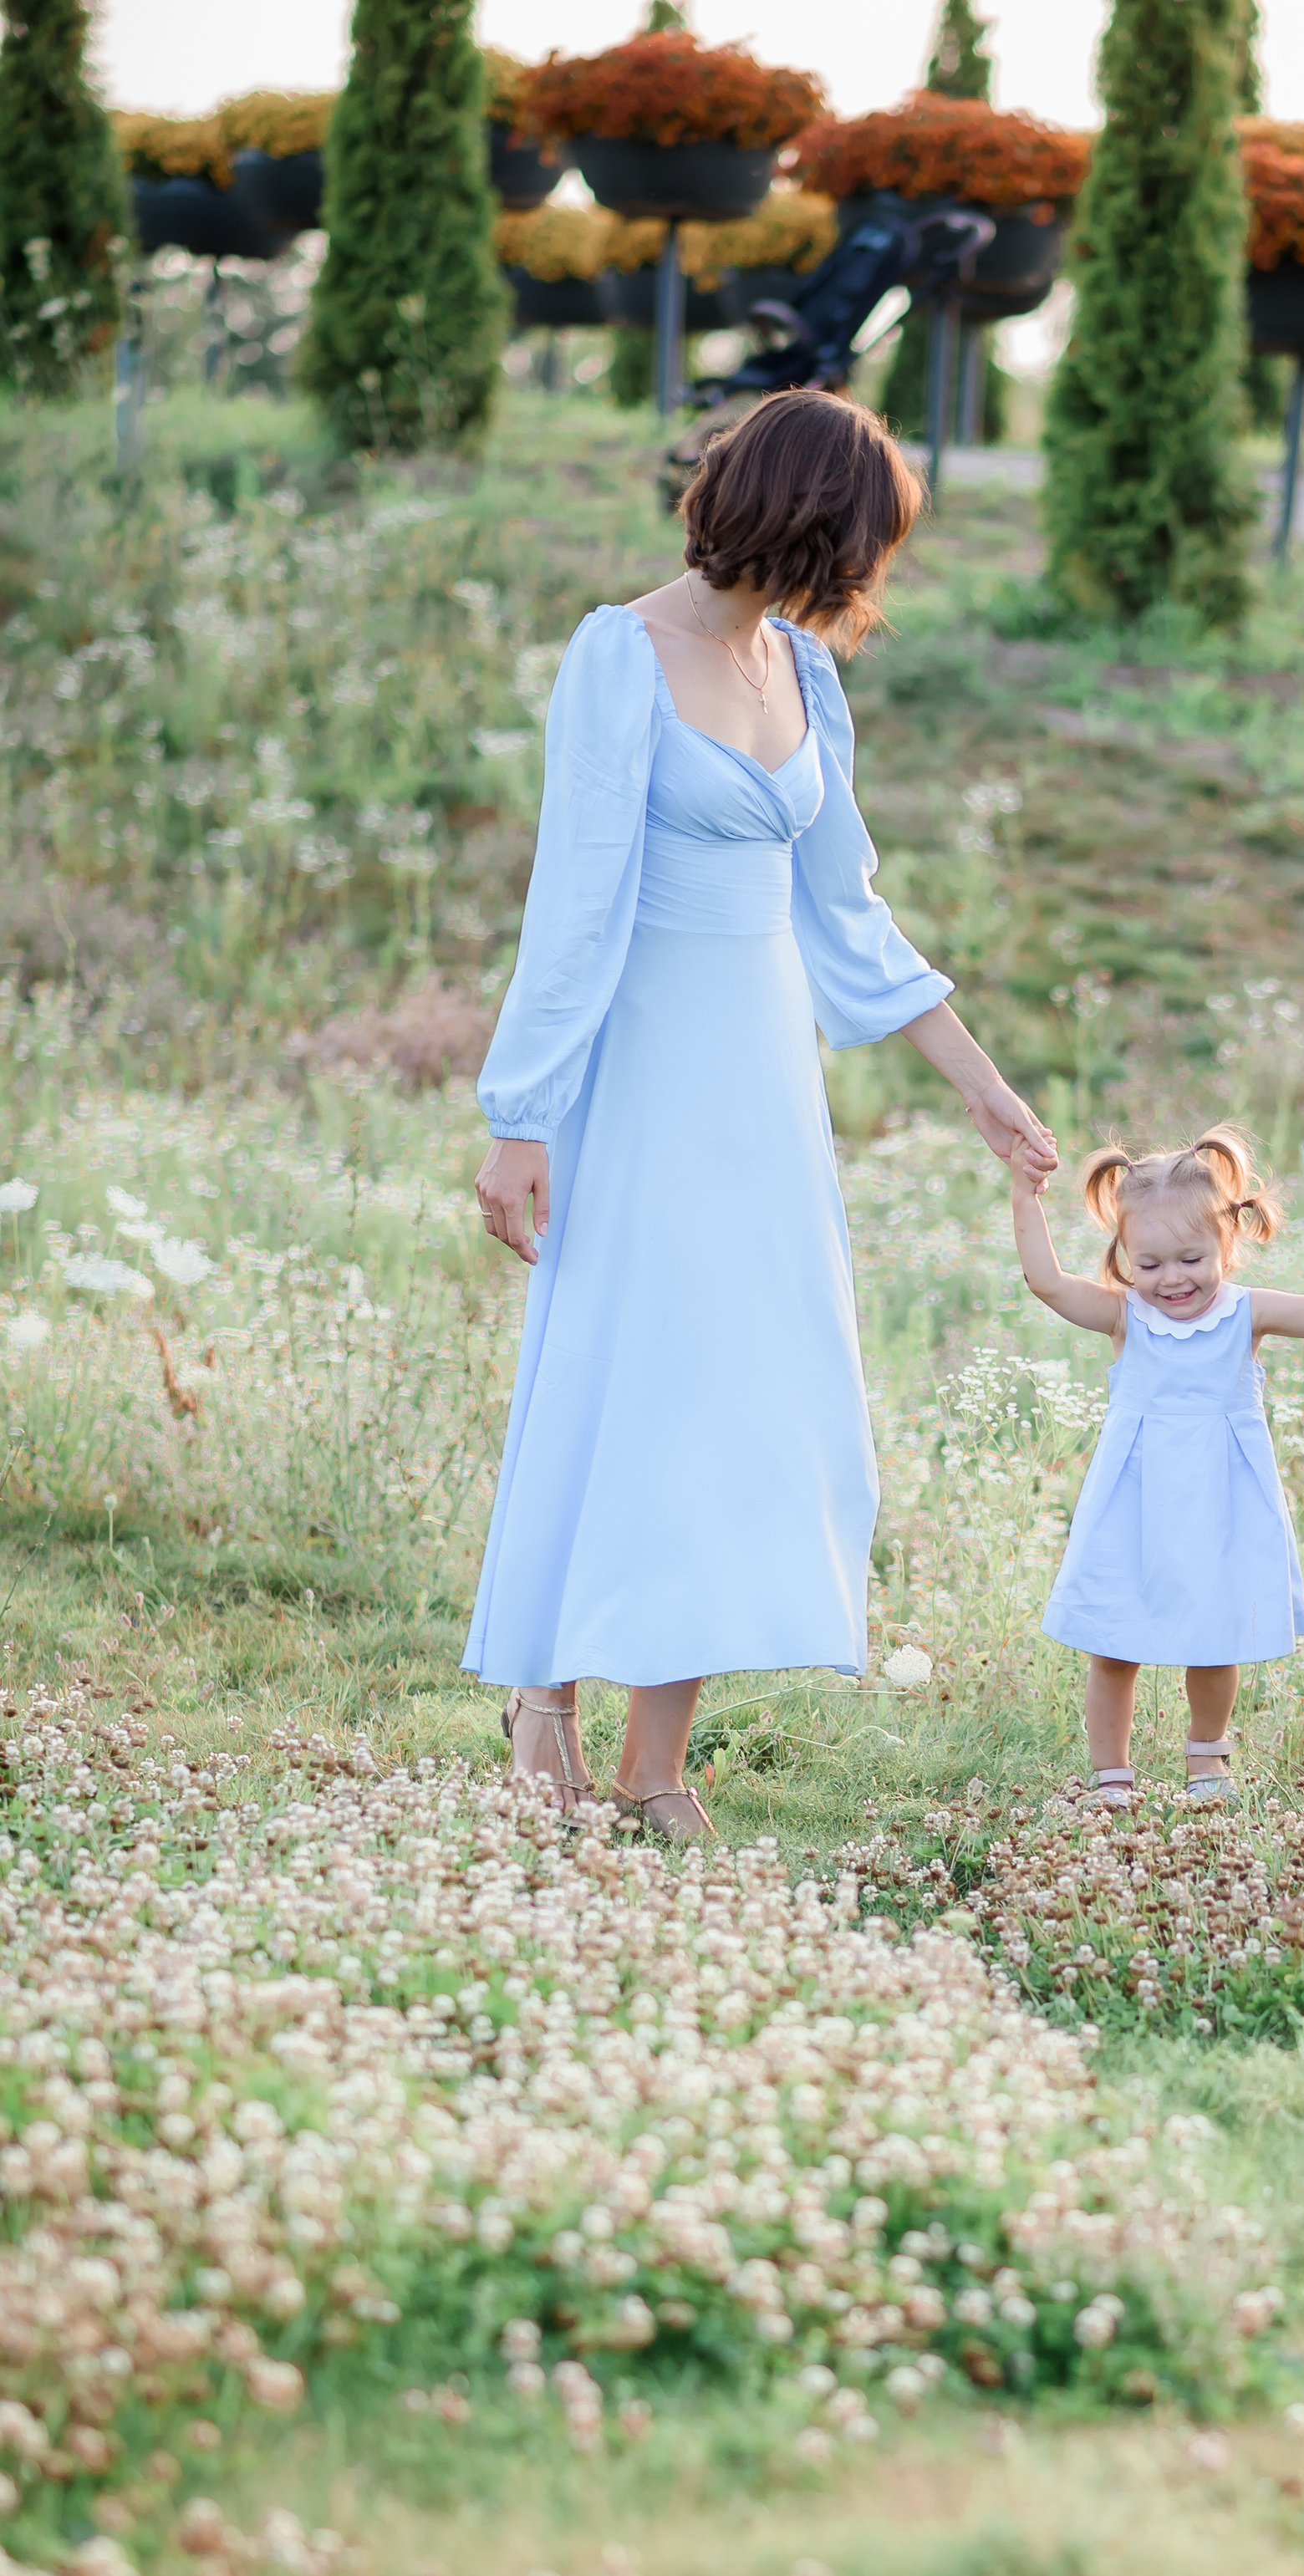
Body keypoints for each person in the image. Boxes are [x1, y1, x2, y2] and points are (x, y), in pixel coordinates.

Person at [464, 389, 1056, 1840]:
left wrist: (983, 1085)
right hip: (644, 1077)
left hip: (765, 1089)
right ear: (803, 522)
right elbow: (577, 900)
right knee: (622, 1383)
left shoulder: (803, 670)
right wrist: (521, 1114)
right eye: (863, 546)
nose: (867, 581)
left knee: (741, 1403)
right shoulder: (622, 656)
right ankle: (542, 1699)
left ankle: (655, 1762)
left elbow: (845, 911)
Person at [1010, 1126, 1304, 1807]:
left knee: (1215, 1640)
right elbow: (1045, 1281)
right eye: (1150, 1263)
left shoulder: (1248, 1314)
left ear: (1228, 1242)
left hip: (1220, 1501)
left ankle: (1207, 1763)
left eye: (1191, 1258)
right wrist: (1025, 1194)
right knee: (1114, 1641)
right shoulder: (1124, 1316)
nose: (1172, 1279)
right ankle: (1111, 1776)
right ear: (1125, 1256)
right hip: (1136, 1501)